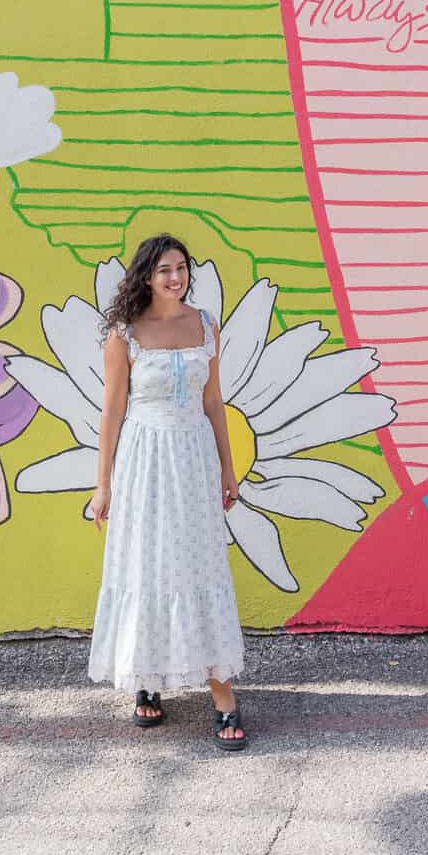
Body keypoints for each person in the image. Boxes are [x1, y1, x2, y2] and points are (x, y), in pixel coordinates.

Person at [86, 234, 248, 747]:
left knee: (200, 563)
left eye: (181, 268)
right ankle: (146, 678)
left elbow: (214, 401)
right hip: (144, 460)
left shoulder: (206, 325)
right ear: (147, 277)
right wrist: (103, 485)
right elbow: (113, 411)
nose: (175, 278)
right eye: (164, 271)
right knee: (146, 562)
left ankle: (222, 692)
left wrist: (228, 468)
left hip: (194, 457)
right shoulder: (125, 333)